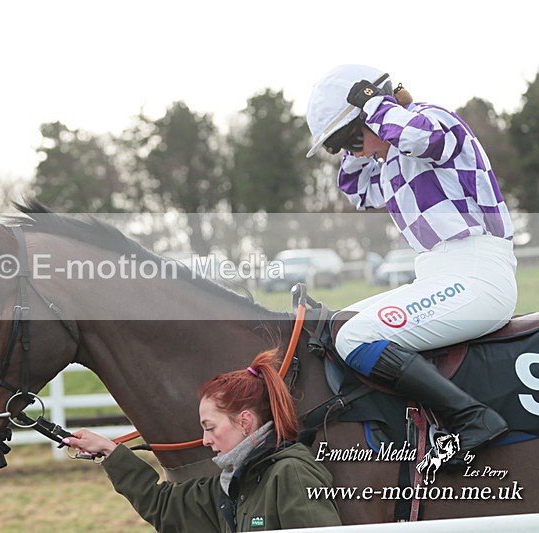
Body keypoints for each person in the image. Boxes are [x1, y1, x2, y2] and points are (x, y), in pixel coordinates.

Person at [305, 64, 516, 453]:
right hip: (440, 277)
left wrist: (374, 105)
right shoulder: (390, 163)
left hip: (478, 275)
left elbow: (420, 137)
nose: (353, 150)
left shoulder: (432, 120)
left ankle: (472, 418)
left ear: (377, 112)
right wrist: (355, 137)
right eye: (340, 145)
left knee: (356, 338)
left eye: (351, 138)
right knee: (339, 326)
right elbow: (356, 190)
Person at [63, 350, 341, 532]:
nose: (205, 440)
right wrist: (109, 451)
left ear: (245, 422)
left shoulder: (291, 474)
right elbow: (162, 506)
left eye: (210, 427)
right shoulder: (230, 484)